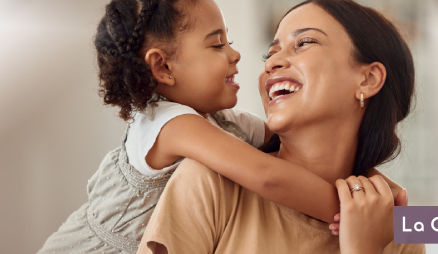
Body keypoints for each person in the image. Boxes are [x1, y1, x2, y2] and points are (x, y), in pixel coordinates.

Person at [37, 0, 407, 253]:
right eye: (271, 51)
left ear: (369, 79)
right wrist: (361, 223)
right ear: (163, 68)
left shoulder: (229, 128)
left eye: (304, 42)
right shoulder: (197, 165)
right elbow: (268, 176)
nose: (270, 62)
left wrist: (379, 189)